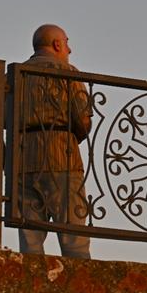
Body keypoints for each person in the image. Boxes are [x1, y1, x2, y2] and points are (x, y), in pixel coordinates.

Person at [16, 24, 92, 258]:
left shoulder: (16, 74)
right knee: (73, 240)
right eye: (67, 43)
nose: (70, 49)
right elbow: (83, 120)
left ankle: (30, 284)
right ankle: (79, 289)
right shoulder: (67, 71)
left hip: (23, 159)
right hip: (63, 158)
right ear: (57, 44)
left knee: (30, 241)